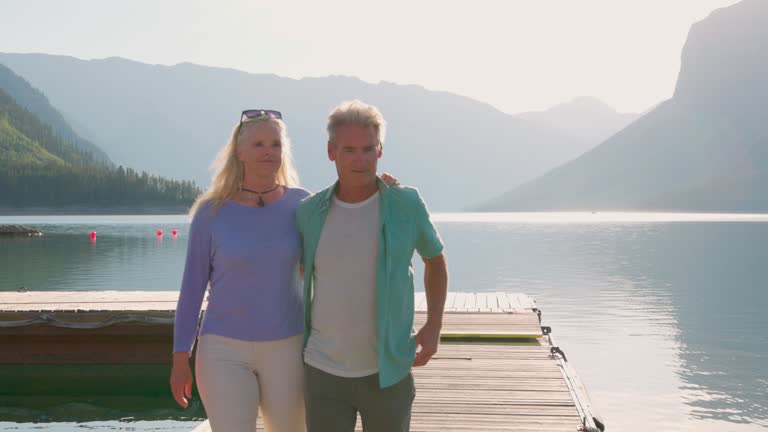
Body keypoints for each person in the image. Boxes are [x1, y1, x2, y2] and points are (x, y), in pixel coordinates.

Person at [169, 109, 398, 432]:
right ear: (239, 151)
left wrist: (382, 191)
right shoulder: (211, 212)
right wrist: (181, 358)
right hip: (222, 350)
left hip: (288, 347)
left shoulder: (304, 205)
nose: (268, 151)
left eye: (275, 144)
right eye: (259, 143)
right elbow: (192, 290)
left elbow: (351, 220)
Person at [296, 100, 449, 432]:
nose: (359, 159)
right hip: (322, 372)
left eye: (368, 149)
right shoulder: (309, 212)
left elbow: (434, 260)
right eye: (349, 149)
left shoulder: (404, 204)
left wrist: (433, 325)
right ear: (330, 151)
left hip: (388, 371)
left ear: (380, 151)